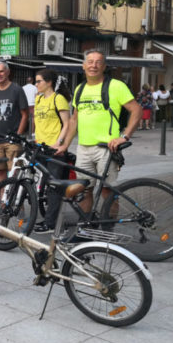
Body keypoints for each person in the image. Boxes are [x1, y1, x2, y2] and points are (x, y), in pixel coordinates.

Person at [55, 49, 141, 220]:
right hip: (84, 148)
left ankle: (109, 227)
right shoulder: (80, 89)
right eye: (90, 61)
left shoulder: (116, 86)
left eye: (98, 62)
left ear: (104, 66)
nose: (93, 65)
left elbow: (136, 109)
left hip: (107, 148)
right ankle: (85, 228)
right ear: (84, 66)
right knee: (84, 188)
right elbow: (74, 120)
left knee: (107, 190)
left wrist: (124, 136)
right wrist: (64, 145)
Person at [31, 70, 71, 234]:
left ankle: (51, 222)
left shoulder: (58, 99)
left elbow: (67, 124)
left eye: (38, 81)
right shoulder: (39, 98)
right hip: (41, 147)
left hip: (55, 149)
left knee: (54, 187)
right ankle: (49, 216)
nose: (36, 84)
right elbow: (37, 122)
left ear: (49, 83)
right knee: (45, 186)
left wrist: (59, 143)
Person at [0, 61, 29, 183]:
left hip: (12, 140)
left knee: (15, 172)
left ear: (8, 72)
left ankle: (15, 201)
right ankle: (4, 202)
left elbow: (25, 115)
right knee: (0, 173)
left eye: (1, 71)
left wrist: (18, 135)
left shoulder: (17, 89)